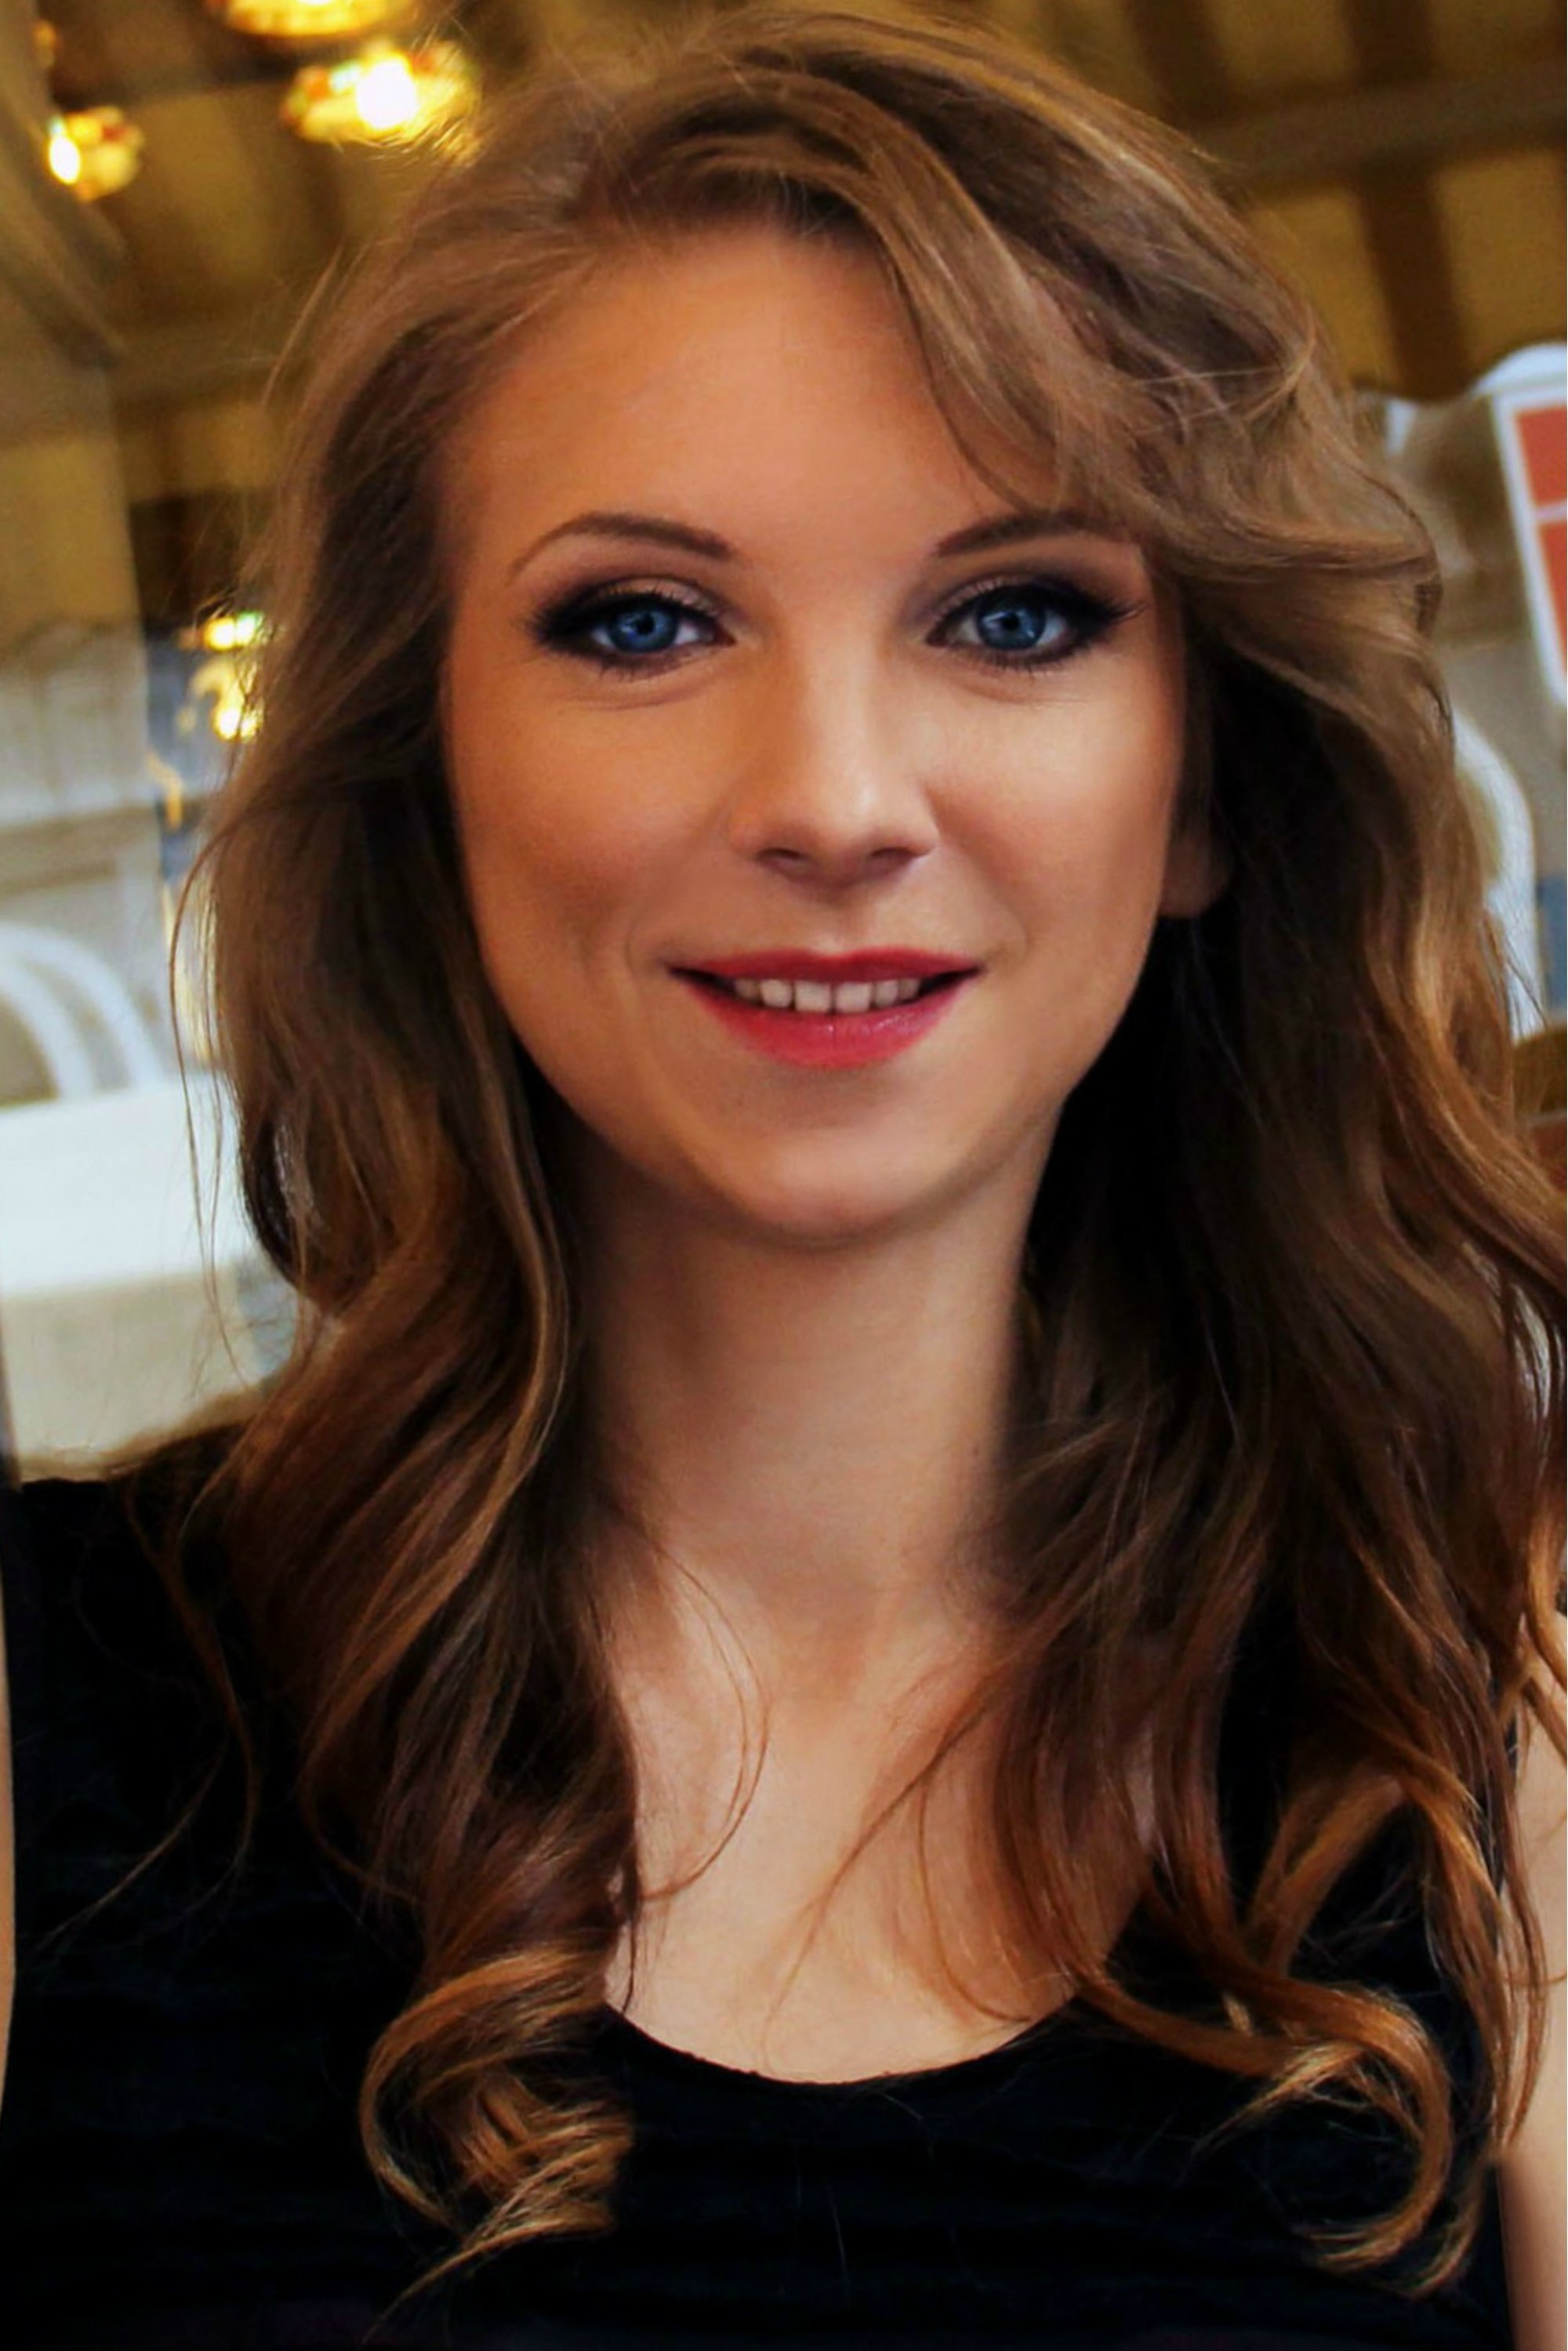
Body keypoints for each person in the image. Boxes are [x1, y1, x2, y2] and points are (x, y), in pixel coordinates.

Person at [0, 4, 1562, 2346]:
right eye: (644, 622)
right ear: (429, 779)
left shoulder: (1493, 1737)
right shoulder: (41, 1724)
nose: (834, 797)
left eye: (1014, 616)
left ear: (1211, 786)